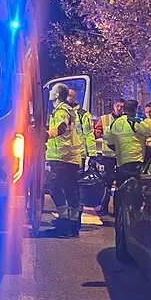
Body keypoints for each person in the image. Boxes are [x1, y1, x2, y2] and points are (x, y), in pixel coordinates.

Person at [47, 84, 83, 236]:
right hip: (68, 157)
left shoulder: (62, 111)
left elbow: (61, 128)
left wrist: (47, 134)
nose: (50, 92)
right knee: (70, 190)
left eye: (52, 91)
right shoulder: (65, 109)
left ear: (57, 95)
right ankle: (72, 225)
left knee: (55, 188)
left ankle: (64, 222)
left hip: (63, 158)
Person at [105, 99, 151, 190]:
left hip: (120, 161)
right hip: (135, 159)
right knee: (134, 187)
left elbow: (109, 142)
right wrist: (147, 120)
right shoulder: (134, 121)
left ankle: (119, 203)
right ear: (134, 110)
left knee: (121, 187)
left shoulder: (114, 123)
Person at [94, 98, 124, 216]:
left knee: (120, 186)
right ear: (113, 106)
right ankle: (104, 207)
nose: (119, 108)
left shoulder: (125, 120)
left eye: (122, 106)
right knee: (107, 183)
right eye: (118, 106)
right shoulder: (105, 119)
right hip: (108, 157)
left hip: (121, 157)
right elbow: (97, 131)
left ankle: (117, 211)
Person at [67, 87, 97, 168]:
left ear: (75, 98)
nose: (67, 98)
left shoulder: (83, 115)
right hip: (62, 156)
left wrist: (92, 155)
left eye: (69, 95)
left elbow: (89, 135)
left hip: (78, 155)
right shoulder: (58, 114)